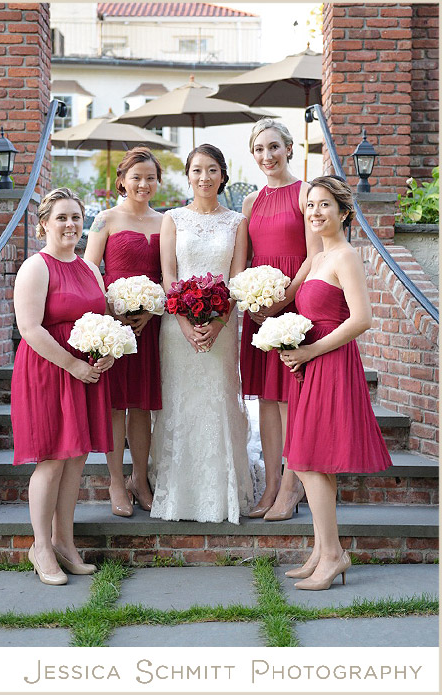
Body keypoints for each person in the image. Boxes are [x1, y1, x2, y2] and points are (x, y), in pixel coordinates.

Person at [278, 177, 391, 590]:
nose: (315, 213)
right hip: (310, 365)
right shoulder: (319, 258)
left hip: (330, 363)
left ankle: (332, 555)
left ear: (344, 212)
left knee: (311, 461)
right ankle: (322, 550)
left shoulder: (346, 256)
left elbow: (361, 319)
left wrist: (309, 351)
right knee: (309, 460)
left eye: (325, 205)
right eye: (310, 206)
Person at [11, 187, 113, 585]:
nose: (70, 225)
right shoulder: (36, 267)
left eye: (75, 217)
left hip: (86, 372)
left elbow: (102, 319)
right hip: (49, 370)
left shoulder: (89, 268)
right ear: (43, 226)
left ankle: (65, 543)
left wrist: (107, 352)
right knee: (52, 459)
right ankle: (40, 547)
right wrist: (72, 363)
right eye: (62, 218)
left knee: (76, 459)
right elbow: (30, 328)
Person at [151, 144, 253, 523]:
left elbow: (238, 279)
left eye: (212, 170)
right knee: (180, 403)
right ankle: (177, 494)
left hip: (222, 327)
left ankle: (222, 495)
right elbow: (169, 278)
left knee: (219, 400)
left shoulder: (236, 222)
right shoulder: (172, 219)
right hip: (177, 328)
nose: (204, 177)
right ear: (188, 176)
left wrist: (218, 323)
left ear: (222, 175)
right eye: (197, 170)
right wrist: (184, 323)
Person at [238, 119, 319, 521]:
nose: (267, 156)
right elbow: (245, 260)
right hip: (258, 308)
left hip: (293, 305)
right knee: (266, 400)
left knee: (289, 398)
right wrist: (249, 300)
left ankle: (292, 484)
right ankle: (270, 484)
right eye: (259, 149)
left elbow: (312, 255)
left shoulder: (305, 194)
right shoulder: (250, 202)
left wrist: (281, 300)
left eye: (274, 147)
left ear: (289, 148)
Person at [83, 148, 164, 517]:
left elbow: (168, 274)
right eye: (136, 177)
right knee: (117, 405)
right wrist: (110, 308)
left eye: (150, 177)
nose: (143, 184)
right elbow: (88, 270)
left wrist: (151, 309)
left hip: (150, 324)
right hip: (113, 324)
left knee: (142, 407)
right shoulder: (105, 219)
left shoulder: (166, 222)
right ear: (122, 181)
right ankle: (116, 481)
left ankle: (140, 479)